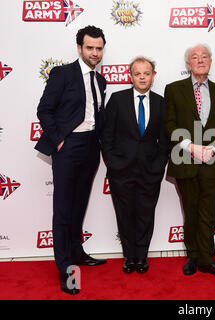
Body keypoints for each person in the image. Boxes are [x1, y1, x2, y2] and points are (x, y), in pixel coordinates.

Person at [35, 25, 107, 295]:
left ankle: (76, 252)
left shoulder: (100, 81)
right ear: (80, 48)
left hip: (91, 147)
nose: (95, 53)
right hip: (68, 146)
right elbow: (44, 110)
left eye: (99, 48)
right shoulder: (63, 74)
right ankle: (65, 268)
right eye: (90, 47)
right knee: (63, 209)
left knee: (79, 205)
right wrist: (59, 141)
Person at [164, 44, 215, 279]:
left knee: (208, 213)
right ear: (188, 64)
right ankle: (193, 256)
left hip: (212, 164)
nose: (200, 60)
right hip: (184, 159)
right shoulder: (173, 90)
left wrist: (213, 150)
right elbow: (170, 125)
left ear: (211, 61)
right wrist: (190, 147)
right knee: (191, 211)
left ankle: (207, 260)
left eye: (205, 56)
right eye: (195, 57)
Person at [101, 57, 169, 274]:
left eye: (146, 73)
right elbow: (106, 135)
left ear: (153, 76)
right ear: (130, 76)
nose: (142, 77)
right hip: (121, 170)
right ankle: (129, 257)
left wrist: (158, 166)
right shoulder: (117, 99)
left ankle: (142, 257)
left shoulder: (160, 102)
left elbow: (165, 141)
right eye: (137, 73)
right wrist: (112, 163)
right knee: (125, 214)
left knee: (145, 215)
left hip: (150, 171)